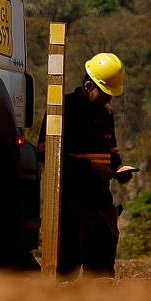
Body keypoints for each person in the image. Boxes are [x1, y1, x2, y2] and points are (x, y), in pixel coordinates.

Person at [59, 51, 136, 277]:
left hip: (100, 203)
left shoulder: (105, 113)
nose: (109, 99)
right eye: (105, 94)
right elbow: (47, 154)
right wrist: (89, 168)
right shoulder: (64, 108)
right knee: (66, 273)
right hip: (71, 203)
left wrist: (119, 170)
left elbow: (112, 152)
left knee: (101, 272)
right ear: (88, 86)